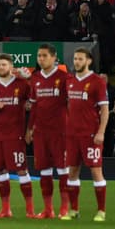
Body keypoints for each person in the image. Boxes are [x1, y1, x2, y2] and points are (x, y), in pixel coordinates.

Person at [0, 54, 36, 218]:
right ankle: (6, 209)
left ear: (11, 66)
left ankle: (30, 210)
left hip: (15, 135)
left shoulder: (22, 85)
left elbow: (34, 102)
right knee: (0, 171)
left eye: (4, 65)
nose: (0, 68)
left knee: (21, 170)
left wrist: (30, 129)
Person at [61, 49, 109, 222]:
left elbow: (104, 109)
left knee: (96, 171)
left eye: (80, 59)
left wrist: (101, 132)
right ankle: (74, 210)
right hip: (72, 135)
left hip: (90, 134)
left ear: (88, 61)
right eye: (75, 59)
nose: (77, 62)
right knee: (72, 172)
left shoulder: (97, 82)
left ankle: (101, 211)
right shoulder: (70, 81)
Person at [26, 44, 71, 218]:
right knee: (44, 170)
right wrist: (30, 128)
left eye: (44, 55)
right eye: (39, 56)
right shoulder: (36, 78)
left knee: (62, 170)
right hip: (41, 132)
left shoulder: (64, 77)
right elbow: (34, 106)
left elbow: (70, 104)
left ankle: (64, 208)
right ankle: (48, 209)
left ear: (54, 57)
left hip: (60, 130)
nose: (41, 59)